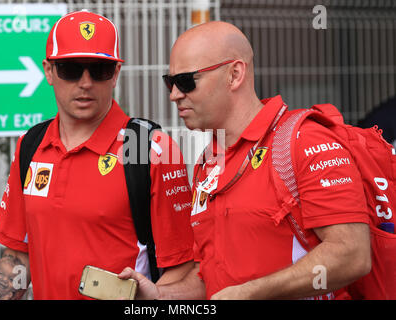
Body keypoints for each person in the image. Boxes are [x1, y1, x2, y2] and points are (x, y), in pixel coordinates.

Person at [119, 21, 372, 300]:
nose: (174, 95)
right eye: (170, 82)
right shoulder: (208, 162)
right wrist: (158, 295)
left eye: (186, 81)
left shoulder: (304, 140)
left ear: (235, 74)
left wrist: (252, 292)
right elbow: (209, 278)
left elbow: (352, 254)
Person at [0, 10, 194, 300]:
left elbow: (183, 269)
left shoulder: (152, 149)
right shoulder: (30, 145)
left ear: (116, 73)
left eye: (99, 69)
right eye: (70, 69)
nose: (85, 82)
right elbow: (18, 257)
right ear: (49, 71)